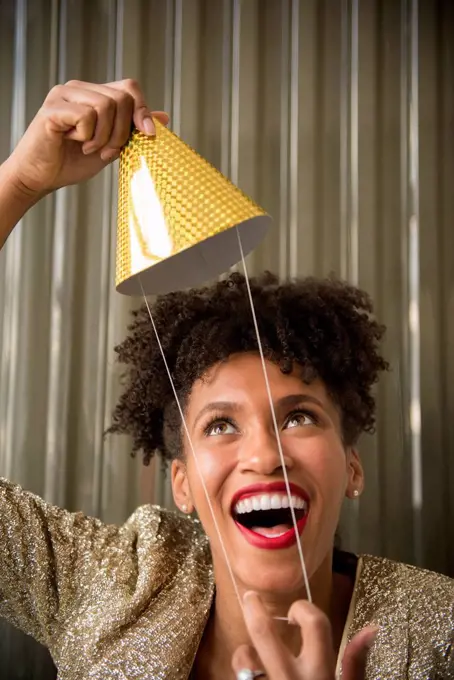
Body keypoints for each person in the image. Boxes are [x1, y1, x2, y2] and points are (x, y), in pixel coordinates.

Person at [0, 79, 452, 680]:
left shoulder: (438, 633)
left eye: (298, 416)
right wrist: (18, 183)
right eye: (219, 425)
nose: (264, 456)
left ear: (351, 467)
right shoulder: (108, 587)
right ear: (181, 484)